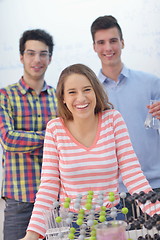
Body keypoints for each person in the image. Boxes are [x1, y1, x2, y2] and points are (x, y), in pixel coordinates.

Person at [21, 63, 160, 240]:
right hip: (72, 224)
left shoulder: (113, 120)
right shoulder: (55, 129)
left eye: (87, 89)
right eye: (72, 92)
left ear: (95, 91)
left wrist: (157, 213)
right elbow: (49, 186)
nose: (81, 98)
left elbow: (133, 176)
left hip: (111, 218)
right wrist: (32, 234)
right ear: (62, 97)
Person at [90, 15, 160, 215]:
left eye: (113, 40)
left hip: (153, 184)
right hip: (112, 195)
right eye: (101, 42)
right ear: (94, 47)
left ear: (122, 42)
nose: (108, 48)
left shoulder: (152, 83)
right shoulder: (89, 93)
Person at [0, 29, 57, 240]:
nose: (37, 59)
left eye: (43, 54)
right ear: (21, 56)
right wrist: (50, 137)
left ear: (50, 58)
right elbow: (9, 140)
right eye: (31, 53)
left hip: (54, 200)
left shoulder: (59, 97)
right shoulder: (4, 96)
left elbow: (69, 139)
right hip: (19, 200)